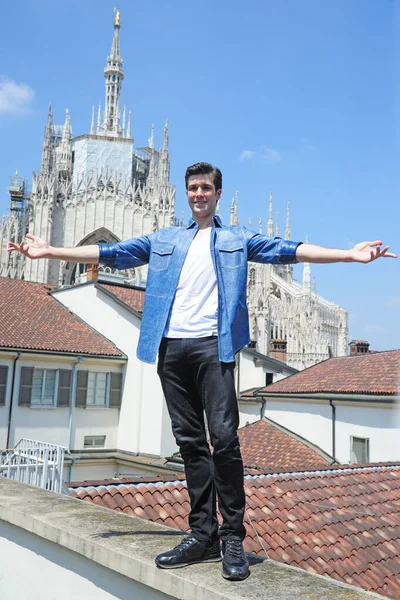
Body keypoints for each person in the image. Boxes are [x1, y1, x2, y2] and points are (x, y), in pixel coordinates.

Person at [8, 162, 397, 581]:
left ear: (217, 194)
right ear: (186, 193)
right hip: (170, 348)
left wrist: (349, 256)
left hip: (215, 348)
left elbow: (288, 249)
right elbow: (111, 254)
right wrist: (49, 251)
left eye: (206, 188)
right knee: (191, 443)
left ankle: (232, 537)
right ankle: (201, 534)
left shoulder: (234, 238)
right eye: (193, 187)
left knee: (225, 441)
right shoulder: (165, 240)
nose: (198, 194)